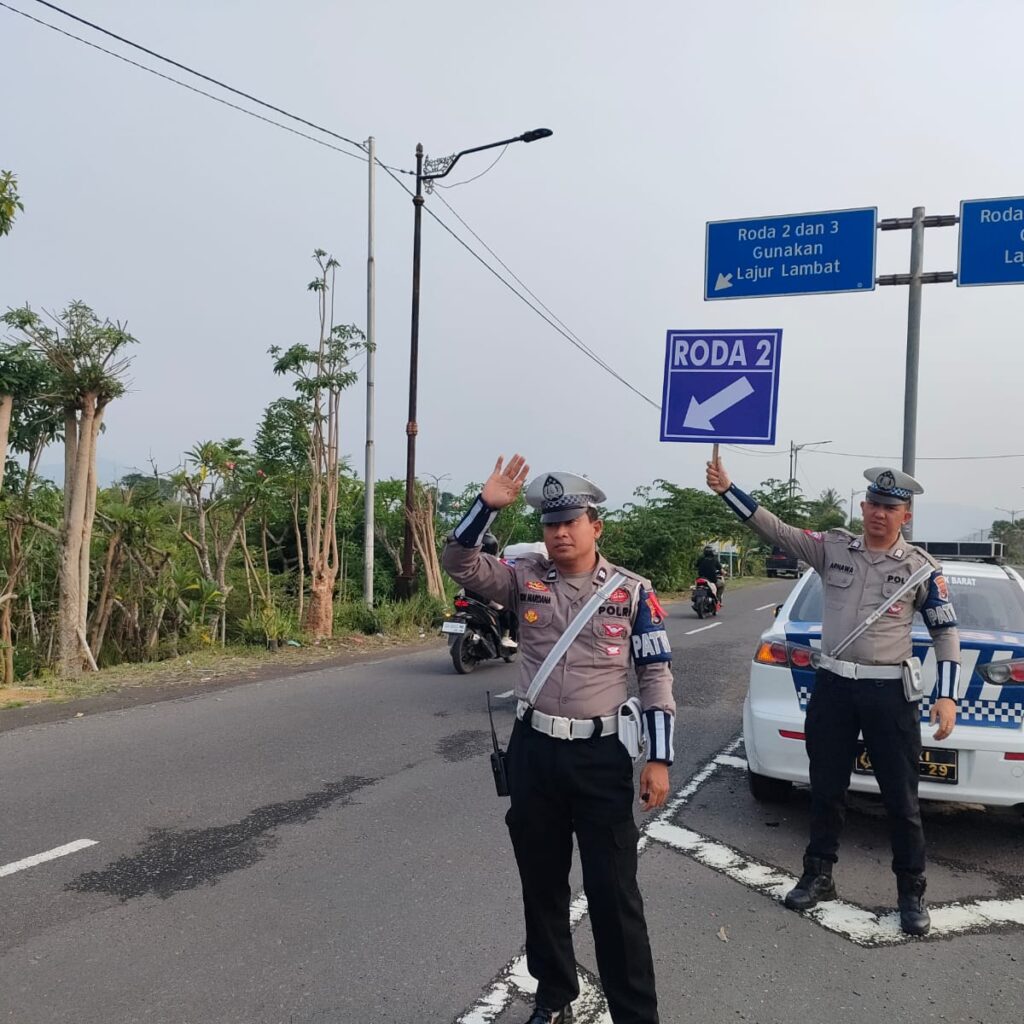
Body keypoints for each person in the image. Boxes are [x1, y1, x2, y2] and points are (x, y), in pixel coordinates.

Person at [442, 455, 675, 1024]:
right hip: (535, 752)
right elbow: (460, 563)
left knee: (613, 895)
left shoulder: (633, 592)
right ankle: (553, 998)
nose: (560, 533)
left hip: (601, 758)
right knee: (541, 884)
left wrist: (660, 758)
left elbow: (655, 675)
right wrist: (485, 507)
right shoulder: (525, 580)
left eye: (572, 522)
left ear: (597, 526)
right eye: (551, 524)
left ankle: (635, 1015)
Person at [706, 459, 961, 936]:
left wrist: (946, 697)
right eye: (873, 504)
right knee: (825, 788)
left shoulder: (921, 570)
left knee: (901, 798)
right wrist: (728, 490)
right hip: (835, 687)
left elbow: (946, 633)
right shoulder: (833, 549)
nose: (879, 513)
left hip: (889, 693)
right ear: (863, 507)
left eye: (891, 507)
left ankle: (911, 892)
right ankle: (817, 874)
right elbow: (776, 530)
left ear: (905, 515)